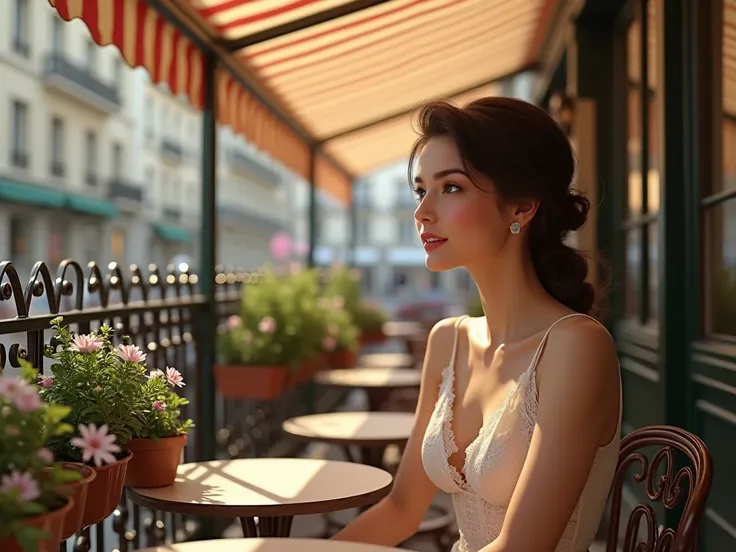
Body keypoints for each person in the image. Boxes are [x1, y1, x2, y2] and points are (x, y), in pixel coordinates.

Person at [331, 97, 622, 552]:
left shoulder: (575, 347)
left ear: (521, 207)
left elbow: (521, 548)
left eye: (451, 188)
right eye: (420, 189)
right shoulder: (448, 339)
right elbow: (403, 509)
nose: (422, 211)